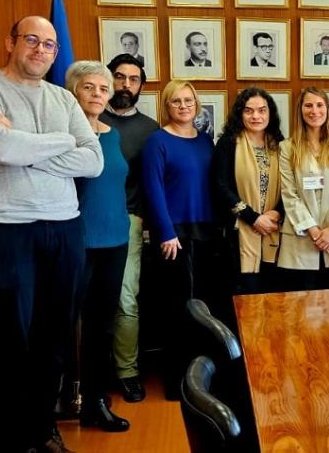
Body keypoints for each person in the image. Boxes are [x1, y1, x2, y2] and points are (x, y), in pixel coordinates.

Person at [0, 16, 103, 452]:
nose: (41, 50)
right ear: (11, 42)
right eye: (32, 40)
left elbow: (92, 161)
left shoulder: (62, 97)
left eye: (50, 45)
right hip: (1, 225)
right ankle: (10, 438)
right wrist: (61, 142)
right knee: (8, 341)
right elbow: (0, 148)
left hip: (63, 224)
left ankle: (43, 430)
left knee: (54, 340)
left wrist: (24, 144)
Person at [64, 61, 130, 432]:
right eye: (89, 88)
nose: (97, 95)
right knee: (60, 325)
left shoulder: (113, 134)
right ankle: (52, 404)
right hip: (77, 242)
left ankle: (94, 403)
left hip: (115, 240)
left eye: (103, 89)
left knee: (101, 327)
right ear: (74, 91)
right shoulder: (63, 134)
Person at [141, 81, 216, 397]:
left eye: (188, 100)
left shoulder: (205, 142)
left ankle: (202, 378)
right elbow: (152, 189)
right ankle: (177, 381)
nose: (183, 106)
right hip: (174, 235)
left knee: (205, 308)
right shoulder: (156, 142)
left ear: (196, 104)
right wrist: (166, 232)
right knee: (177, 308)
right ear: (166, 106)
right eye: (176, 101)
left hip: (207, 232)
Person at [100, 53, 157, 403]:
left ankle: (127, 371)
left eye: (132, 79)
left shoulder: (150, 130)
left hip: (128, 222)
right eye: (119, 77)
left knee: (125, 300)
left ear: (140, 86)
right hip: (83, 221)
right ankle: (83, 373)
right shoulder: (87, 119)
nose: (125, 85)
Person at [277, 87, 329, 291]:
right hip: (301, 240)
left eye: (320, 105)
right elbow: (289, 194)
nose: (314, 111)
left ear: (328, 109)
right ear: (301, 110)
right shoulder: (287, 147)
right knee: (302, 312)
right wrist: (314, 231)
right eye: (308, 105)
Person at [211, 88, 285, 294]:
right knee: (246, 295)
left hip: (274, 230)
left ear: (270, 114)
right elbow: (220, 186)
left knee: (273, 296)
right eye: (249, 111)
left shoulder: (280, 144)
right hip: (239, 232)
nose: (256, 116)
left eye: (262, 110)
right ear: (240, 114)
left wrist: (277, 212)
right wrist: (253, 218)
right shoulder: (228, 143)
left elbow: (290, 186)